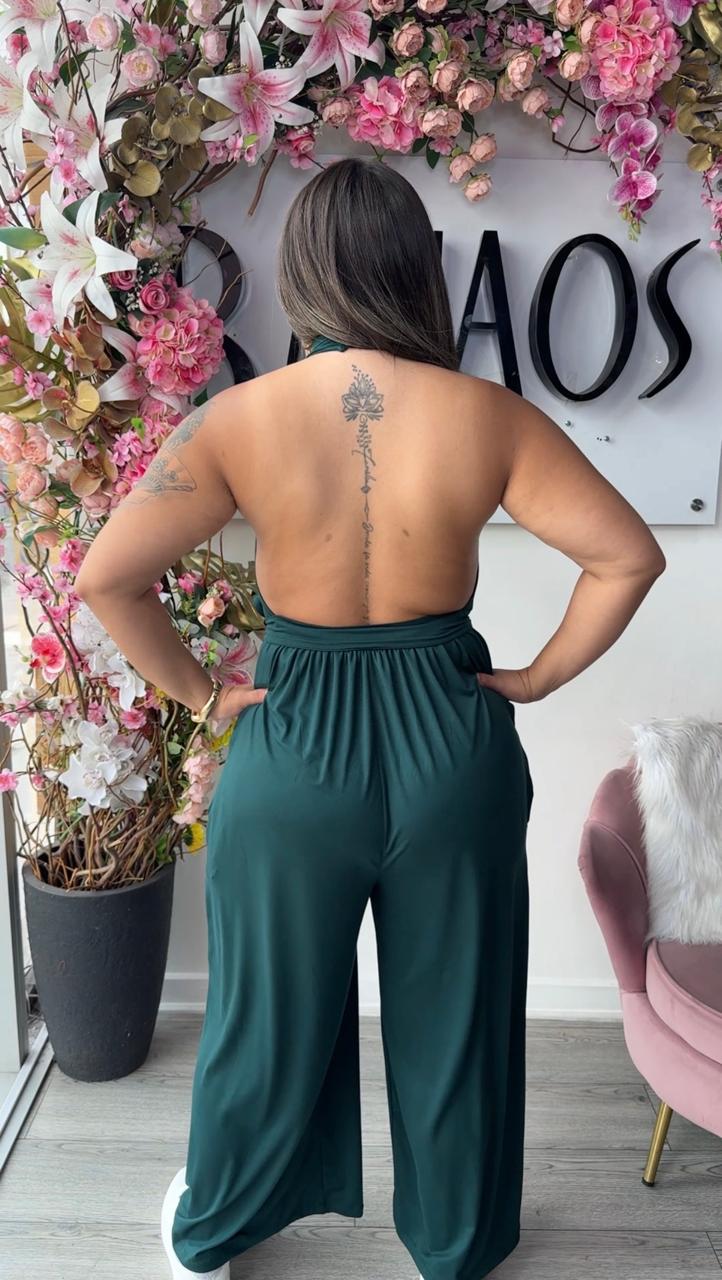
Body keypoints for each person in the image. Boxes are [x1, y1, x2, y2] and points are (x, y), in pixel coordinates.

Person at [75, 156, 666, 1280]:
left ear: (302, 274)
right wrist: (535, 679)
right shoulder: (488, 415)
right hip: (449, 743)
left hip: (295, 741)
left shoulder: (237, 420)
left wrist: (203, 694)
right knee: (458, 1011)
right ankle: (456, 1244)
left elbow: (109, 577)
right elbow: (626, 558)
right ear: (415, 271)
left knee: (265, 1011)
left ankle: (213, 1232)